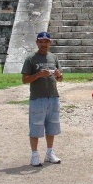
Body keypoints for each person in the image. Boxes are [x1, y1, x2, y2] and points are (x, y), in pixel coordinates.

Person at [21, 31, 63, 167]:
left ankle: (49, 152)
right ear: (37, 42)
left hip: (53, 96)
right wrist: (38, 74)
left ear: (50, 43)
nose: (43, 44)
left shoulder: (54, 57)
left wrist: (58, 75)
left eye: (46, 41)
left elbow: (60, 79)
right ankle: (34, 154)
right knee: (35, 127)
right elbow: (24, 80)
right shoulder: (31, 59)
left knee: (52, 126)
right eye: (41, 41)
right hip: (37, 97)